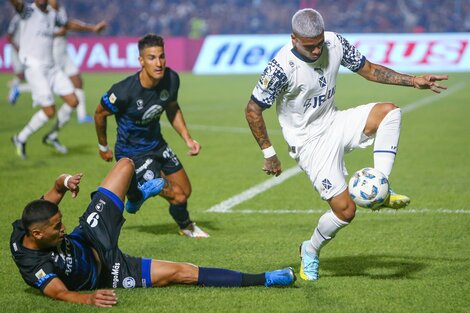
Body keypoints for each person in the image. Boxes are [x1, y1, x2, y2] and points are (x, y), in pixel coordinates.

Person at [245, 8, 448, 282]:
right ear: (294, 39)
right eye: (310, 46)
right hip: (309, 143)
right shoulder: (281, 68)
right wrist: (269, 153)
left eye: (319, 44)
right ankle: (310, 250)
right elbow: (253, 110)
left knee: (389, 112)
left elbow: (370, 70)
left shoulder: (334, 42)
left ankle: (381, 185)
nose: (317, 51)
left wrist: (413, 81)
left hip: (334, 121)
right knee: (345, 211)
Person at [10, 158, 295, 307]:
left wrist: (67, 180)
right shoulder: (33, 264)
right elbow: (59, 293)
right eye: (57, 227)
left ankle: (134, 199)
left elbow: (57, 189)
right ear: (36, 235)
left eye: (61, 222)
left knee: (125, 165)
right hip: (112, 272)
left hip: (89, 234)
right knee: (182, 272)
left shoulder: (29, 222)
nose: (62, 229)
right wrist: (88, 298)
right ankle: (266, 278)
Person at [94, 33, 209, 238]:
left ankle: (138, 192)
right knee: (179, 196)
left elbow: (172, 107)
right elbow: (100, 113)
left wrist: (187, 139)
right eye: (152, 58)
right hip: (133, 153)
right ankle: (185, 226)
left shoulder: (171, 79)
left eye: (162, 57)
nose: (158, 63)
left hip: (157, 145)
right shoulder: (123, 91)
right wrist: (103, 147)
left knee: (185, 190)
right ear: (141, 61)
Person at [8, 0, 102, 159]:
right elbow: (16, 4)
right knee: (49, 111)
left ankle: (52, 136)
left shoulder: (53, 15)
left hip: (52, 67)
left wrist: (92, 28)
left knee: (73, 101)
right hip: (35, 68)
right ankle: (20, 138)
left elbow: (69, 24)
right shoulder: (28, 11)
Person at [49, 0, 107, 123]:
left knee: (78, 81)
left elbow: (69, 24)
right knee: (48, 87)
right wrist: (57, 33)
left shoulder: (60, 10)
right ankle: (19, 88)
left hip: (63, 53)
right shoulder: (42, 12)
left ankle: (82, 116)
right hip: (52, 54)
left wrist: (92, 28)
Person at [5, 13, 31, 105]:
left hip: (29, 51)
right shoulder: (17, 18)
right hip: (17, 51)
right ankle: (15, 91)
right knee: (21, 74)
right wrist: (17, 48)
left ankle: (13, 93)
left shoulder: (34, 16)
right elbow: (9, 36)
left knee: (28, 75)